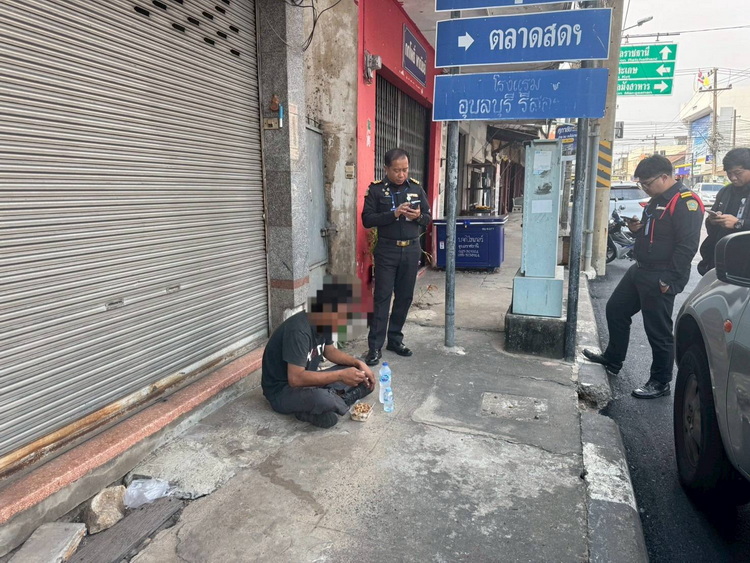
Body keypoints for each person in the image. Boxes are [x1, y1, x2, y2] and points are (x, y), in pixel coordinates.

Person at [583, 155, 704, 399]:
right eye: (641, 183)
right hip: (640, 269)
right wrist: (637, 230)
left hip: (661, 274)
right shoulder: (656, 200)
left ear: (665, 177)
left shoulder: (685, 202)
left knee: (657, 330)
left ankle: (660, 381)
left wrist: (669, 279)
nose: (644, 187)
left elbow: (687, 246)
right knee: (616, 309)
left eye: (647, 183)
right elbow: (655, 235)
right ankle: (613, 358)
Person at [261, 277, 375, 428]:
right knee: (324, 400)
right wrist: (340, 376)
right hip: (283, 391)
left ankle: (335, 401)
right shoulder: (299, 330)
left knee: (361, 375)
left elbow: (330, 351)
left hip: (307, 381)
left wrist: (358, 363)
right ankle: (327, 402)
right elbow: (295, 379)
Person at [361, 148, 432, 366]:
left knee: (404, 297)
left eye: (405, 170)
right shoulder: (376, 190)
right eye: (397, 170)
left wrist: (418, 216)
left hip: (411, 250)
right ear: (386, 169)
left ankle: (395, 339)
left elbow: (428, 218)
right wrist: (393, 214)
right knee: (382, 297)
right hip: (387, 251)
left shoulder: (416, 188)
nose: (401, 174)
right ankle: (374, 347)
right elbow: (367, 219)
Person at [697, 147, 750, 275]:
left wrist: (739, 223)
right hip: (723, 258)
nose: (733, 177)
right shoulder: (725, 191)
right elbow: (711, 227)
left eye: (738, 173)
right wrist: (713, 220)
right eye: (729, 173)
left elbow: (738, 223)